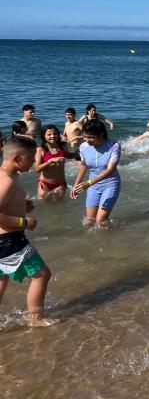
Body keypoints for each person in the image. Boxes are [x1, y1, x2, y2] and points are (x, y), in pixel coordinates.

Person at [0, 137, 57, 326]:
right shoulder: (7, 181)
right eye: (31, 158)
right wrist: (23, 222)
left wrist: (20, 204)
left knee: (1, 278)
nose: (34, 161)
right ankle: (36, 319)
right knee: (41, 275)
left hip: (3, 240)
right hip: (10, 240)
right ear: (16, 159)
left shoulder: (6, 175)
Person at [71, 120, 121, 228]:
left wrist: (88, 183)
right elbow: (83, 165)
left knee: (101, 221)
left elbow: (110, 170)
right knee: (90, 221)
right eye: (85, 137)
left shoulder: (114, 146)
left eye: (91, 137)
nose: (87, 140)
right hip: (93, 186)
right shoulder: (83, 147)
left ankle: (109, 242)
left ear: (101, 134)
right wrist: (76, 185)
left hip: (110, 184)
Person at [35, 125, 77, 200]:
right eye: (49, 134)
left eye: (55, 134)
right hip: (44, 184)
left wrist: (77, 154)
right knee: (44, 207)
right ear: (43, 136)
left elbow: (68, 156)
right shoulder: (40, 150)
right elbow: (37, 169)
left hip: (60, 184)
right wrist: (50, 162)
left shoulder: (62, 147)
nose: (52, 136)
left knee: (59, 207)